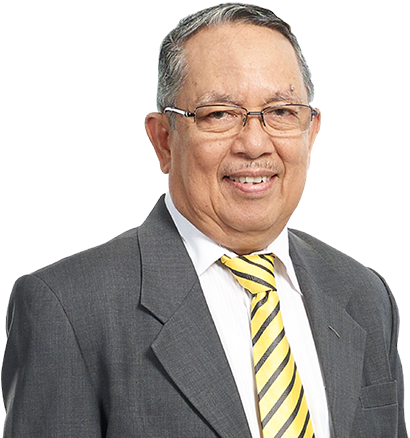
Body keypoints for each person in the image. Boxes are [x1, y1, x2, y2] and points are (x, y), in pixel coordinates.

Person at [2, 4, 406, 438]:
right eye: (219, 114)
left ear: (312, 131)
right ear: (163, 139)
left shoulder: (363, 294)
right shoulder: (68, 308)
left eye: (282, 112)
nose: (255, 144)